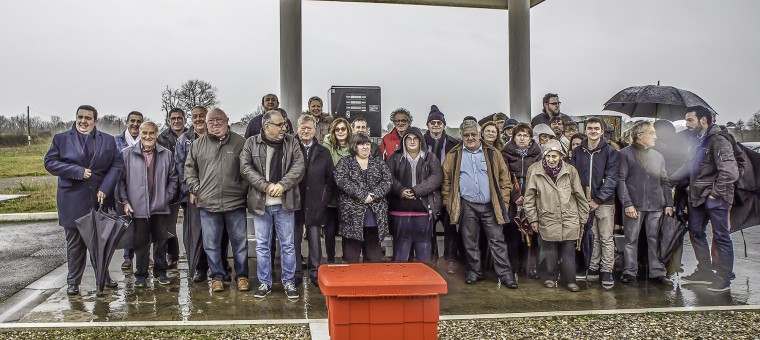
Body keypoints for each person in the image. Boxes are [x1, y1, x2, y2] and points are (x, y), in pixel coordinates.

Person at [44, 105, 123, 295]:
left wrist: (105, 187)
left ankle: (103, 276)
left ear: (95, 121)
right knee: (75, 245)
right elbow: (50, 163)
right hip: (72, 200)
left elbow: (117, 164)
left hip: (99, 200)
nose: (83, 121)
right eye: (80, 117)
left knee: (99, 243)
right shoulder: (61, 139)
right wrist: (77, 172)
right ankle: (73, 282)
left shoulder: (108, 141)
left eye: (88, 118)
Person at [441, 120, 517, 288]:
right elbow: (446, 182)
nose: (470, 138)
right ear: (461, 135)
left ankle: (505, 275)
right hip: (467, 205)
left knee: (497, 240)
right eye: (466, 135)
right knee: (470, 240)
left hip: (491, 204)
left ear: (479, 134)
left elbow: (505, 179)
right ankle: (475, 271)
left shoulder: (493, 153)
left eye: (473, 134)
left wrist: (503, 201)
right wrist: (449, 203)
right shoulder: (453, 155)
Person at [671, 106, 739, 292]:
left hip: (716, 197)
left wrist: (714, 194)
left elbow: (730, 171)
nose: (687, 124)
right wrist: (669, 179)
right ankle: (705, 271)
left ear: (703, 120)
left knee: (721, 236)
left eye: (690, 120)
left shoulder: (719, 140)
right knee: (695, 232)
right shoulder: (696, 140)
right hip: (696, 196)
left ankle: (723, 278)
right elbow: (689, 165)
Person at [240, 109, 304, 299]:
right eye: (279, 124)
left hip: (285, 202)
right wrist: (266, 186)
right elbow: (245, 168)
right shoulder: (251, 143)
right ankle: (265, 283)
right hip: (261, 204)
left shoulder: (292, 142)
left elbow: (299, 167)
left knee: (288, 245)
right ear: (266, 126)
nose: (284, 127)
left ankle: (289, 282)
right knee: (262, 245)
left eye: (284, 124)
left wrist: (283, 185)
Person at [184, 108, 249, 293]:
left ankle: (242, 276)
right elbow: (189, 170)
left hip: (235, 203)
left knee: (240, 243)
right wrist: (198, 189)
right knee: (210, 244)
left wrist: (242, 190)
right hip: (208, 204)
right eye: (211, 121)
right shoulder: (198, 144)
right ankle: (217, 277)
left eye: (218, 120)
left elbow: (248, 169)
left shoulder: (240, 143)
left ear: (227, 120)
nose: (215, 123)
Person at [524, 139, 589, 292]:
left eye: (555, 156)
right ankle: (551, 277)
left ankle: (570, 280)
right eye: (548, 156)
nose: (551, 160)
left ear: (561, 155)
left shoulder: (570, 170)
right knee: (550, 250)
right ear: (544, 157)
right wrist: (533, 218)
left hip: (569, 216)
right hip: (547, 216)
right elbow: (529, 197)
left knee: (568, 250)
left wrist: (582, 217)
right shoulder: (535, 170)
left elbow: (579, 195)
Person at [118, 121, 178, 287]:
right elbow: (121, 182)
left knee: (161, 242)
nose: (148, 136)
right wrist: (125, 201)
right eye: (144, 133)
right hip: (137, 208)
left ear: (156, 134)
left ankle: (160, 272)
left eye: (151, 133)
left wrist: (167, 196)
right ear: (140, 134)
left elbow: (173, 178)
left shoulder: (166, 154)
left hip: (160, 207)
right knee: (140, 243)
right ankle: (141, 275)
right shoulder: (127, 154)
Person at [175, 106, 231, 282]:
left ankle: (221, 265)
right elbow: (180, 168)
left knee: (220, 233)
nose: (198, 119)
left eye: (201, 116)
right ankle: (200, 267)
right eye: (194, 116)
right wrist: (191, 190)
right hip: (194, 197)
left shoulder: (217, 137)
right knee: (197, 234)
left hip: (217, 195)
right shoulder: (184, 140)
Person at [617, 121, 674, 284]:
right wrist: (627, 204)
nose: (655, 136)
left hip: (656, 204)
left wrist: (668, 203)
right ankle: (629, 271)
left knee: (654, 238)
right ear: (640, 135)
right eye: (652, 133)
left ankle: (656, 272)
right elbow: (620, 181)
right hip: (634, 205)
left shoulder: (658, 156)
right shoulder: (624, 154)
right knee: (631, 239)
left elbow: (665, 181)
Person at [569, 117, 619, 288]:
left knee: (606, 237)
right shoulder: (578, 152)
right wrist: (581, 199)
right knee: (593, 236)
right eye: (590, 128)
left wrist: (598, 199)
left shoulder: (610, 152)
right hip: (584, 201)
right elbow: (573, 176)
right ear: (586, 130)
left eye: (596, 128)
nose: (593, 131)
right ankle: (594, 266)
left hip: (604, 202)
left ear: (602, 131)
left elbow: (612, 178)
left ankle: (607, 270)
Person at [386, 127, 442, 263]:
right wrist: (401, 190)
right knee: (401, 250)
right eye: (408, 139)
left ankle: (426, 279)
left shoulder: (430, 158)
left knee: (424, 249)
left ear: (420, 140)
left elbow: (436, 178)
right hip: (400, 210)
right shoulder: (395, 158)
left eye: (415, 138)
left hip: (424, 209)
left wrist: (416, 191)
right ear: (404, 141)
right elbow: (388, 177)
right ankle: (402, 280)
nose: (412, 141)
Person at [334, 134, 392, 263]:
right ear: (355, 146)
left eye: (367, 144)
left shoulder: (378, 162)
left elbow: (387, 181)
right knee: (351, 257)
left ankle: (372, 281)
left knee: (374, 256)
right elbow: (341, 180)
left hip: (375, 215)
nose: (365, 147)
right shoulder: (345, 162)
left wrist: (373, 195)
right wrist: (362, 195)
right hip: (352, 216)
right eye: (361, 144)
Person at [294, 114, 335, 286]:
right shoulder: (291, 148)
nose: (306, 131)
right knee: (293, 241)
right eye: (302, 127)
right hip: (295, 202)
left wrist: (323, 201)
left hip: (316, 203)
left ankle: (315, 273)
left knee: (315, 242)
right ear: (297, 129)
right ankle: (295, 273)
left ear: (315, 130)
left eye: (309, 128)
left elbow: (330, 180)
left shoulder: (323, 152)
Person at [501, 123, 543, 279]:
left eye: (526, 135)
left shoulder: (537, 153)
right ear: (514, 137)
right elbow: (504, 176)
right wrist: (515, 196)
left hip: (532, 197)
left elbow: (540, 176)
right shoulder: (506, 152)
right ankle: (513, 267)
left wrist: (529, 196)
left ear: (530, 138)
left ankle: (531, 267)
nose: (522, 138)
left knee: (532, 234)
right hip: (513, 199)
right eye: (519, 135)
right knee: (512, 234)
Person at [424, 105, 462, 273]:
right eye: (433, 122)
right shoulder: (421, 143)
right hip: (428, 190)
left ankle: (450, 259)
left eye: (439, 122)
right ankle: (431, 260)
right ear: (428, 125)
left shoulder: (454, 144)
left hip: (448, 189)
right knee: (429, 226)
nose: (436, 125)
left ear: (444, 125)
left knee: (450, 226)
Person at [157, 107, 187, 270]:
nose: (176, 121)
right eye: (173, 118)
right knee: (169, 226)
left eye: (179, 118)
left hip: (188, 186)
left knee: (190, 226)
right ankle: (172, 256)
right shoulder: (162, 138)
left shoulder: (191, 136)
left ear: (184, 120)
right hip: (170, 187)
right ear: (169, 121)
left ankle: (194, 254)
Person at [114, 110, 143, 271]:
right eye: (132, 121)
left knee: (142, 224)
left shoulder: (145, 139)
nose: (135, 124)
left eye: (139, 121)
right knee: (127, 222)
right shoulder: (116, 141)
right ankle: (127, 257)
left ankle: (143, 255)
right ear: (127, 122)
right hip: (123, 186)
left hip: (141, 188)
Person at [322, 118, 353, 263]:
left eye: (343, 129)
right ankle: (330, 259)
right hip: (331, 194)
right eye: (337, 129)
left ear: (348, 131)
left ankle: (347, 259)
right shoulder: (328, 145)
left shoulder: (353, 147)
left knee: (346, 230)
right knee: (330, 230)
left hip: (348, 194)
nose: (340, 132)